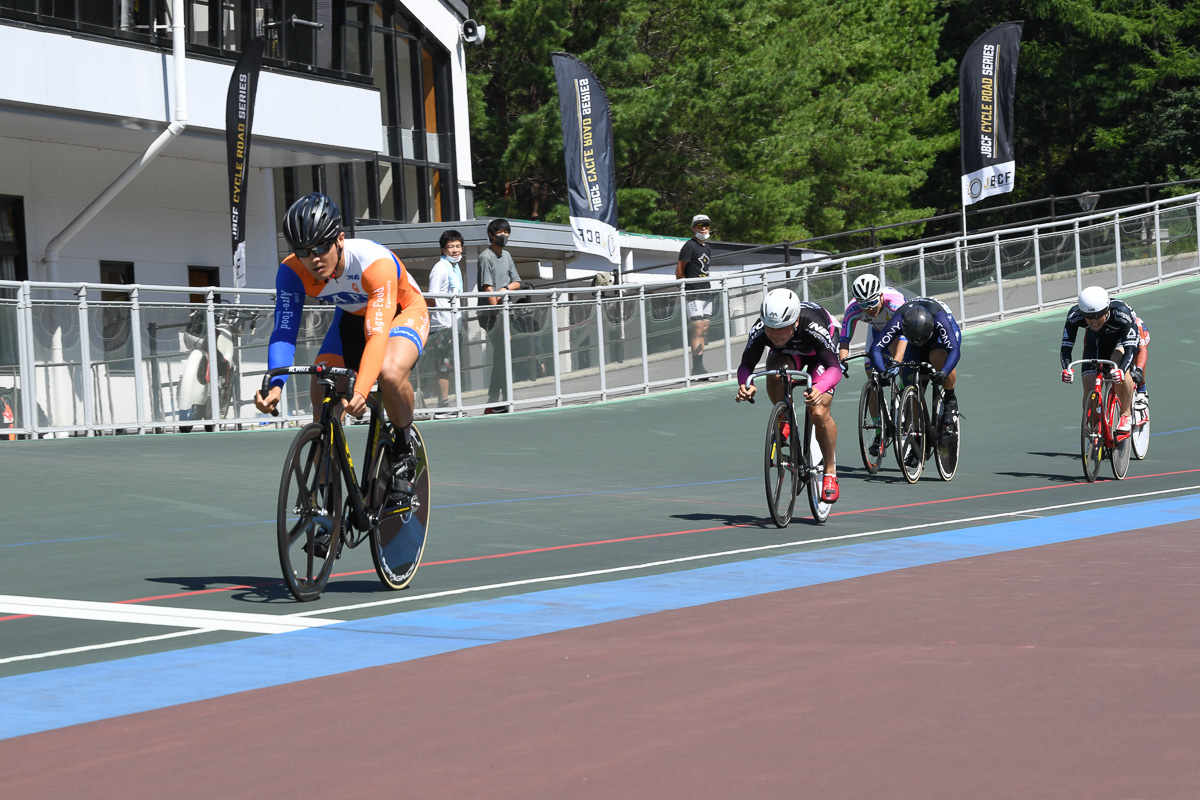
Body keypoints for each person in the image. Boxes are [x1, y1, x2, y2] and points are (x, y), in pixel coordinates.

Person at [255, 192, 429, 504]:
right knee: (322, 389)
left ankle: (403, 451)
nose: (314, 258)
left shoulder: (373, 264)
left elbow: (377, 335)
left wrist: (361, 390)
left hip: (402, 312)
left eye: (321, 246)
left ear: (340, 239)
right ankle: (326, 503)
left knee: (388, 373)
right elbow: (284, 331)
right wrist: (275, 385)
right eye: (302, 251)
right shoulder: (292, 272)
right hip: (351, 318)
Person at [735, 288, 842, 502]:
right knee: (774, 372)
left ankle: (830, 472)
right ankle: (784, 419)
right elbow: (746, 365)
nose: (774, 334)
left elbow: (835, 368)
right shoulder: (760, 330)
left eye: (781, 328)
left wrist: (819, 389)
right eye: (770, 328)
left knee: (818, 411)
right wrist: (746, 384)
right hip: (788, 353)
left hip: (819, 355)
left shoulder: (813, 325)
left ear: (794, 323)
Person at [869, 296, 963, 459]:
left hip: (938, 339)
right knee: (910, 384)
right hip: (915, 338)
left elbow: (954, 350)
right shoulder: (899, 319)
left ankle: (950, 399)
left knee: (937, 356)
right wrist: (881, 370)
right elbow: (875, 348)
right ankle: (918, 439)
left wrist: (944, 372)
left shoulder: (939, 319)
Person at [1059, 285, 1140, 433]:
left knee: (1117, 362)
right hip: (1096, 341)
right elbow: (1066, 347)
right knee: (1089, 383)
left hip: (1120, 339)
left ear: (1107, 310)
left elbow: (1130, 348)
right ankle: (1096, 428)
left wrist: (1122, 370)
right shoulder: (1074, 315)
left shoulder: (1121, 313)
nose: (1093, 320)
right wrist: (1066, 368)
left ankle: (1126, 414)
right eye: (1088, 316)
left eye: (1098, 315)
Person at [478, 218, 521, 413]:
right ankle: (496, 400)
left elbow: (517, 282)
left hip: (504, 311)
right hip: (491, 314)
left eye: (506, 232)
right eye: (499, 232)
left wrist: (504, 289)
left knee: (502, 356)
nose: (503, 236)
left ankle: (498, 399)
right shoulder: (485, 257)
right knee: (501, 355)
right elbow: (487, 289)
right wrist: (496, 313)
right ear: (491, 235)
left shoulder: (508, 256)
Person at [427, 229, 465, 412]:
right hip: (442, 325)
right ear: (443, 250)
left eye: (458, 246)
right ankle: (443, 405)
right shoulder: (440, 268)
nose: (455, 250)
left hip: (454, 323)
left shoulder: (454, 268)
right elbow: (431, 297)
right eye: (451, 247)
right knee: (443, 365)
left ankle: (451, 404)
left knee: (450, 365)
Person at [677, 213, 714, 377]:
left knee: (704, 330)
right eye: (700, 225)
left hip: (706, 292)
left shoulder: (707, 247)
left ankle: (701, 367)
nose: (704, 228)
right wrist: (689, 288)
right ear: (693, 228)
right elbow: (679, 272)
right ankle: (696, 368)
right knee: (697, 330)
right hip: (694, 293)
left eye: (706, 225)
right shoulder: (689, 246)